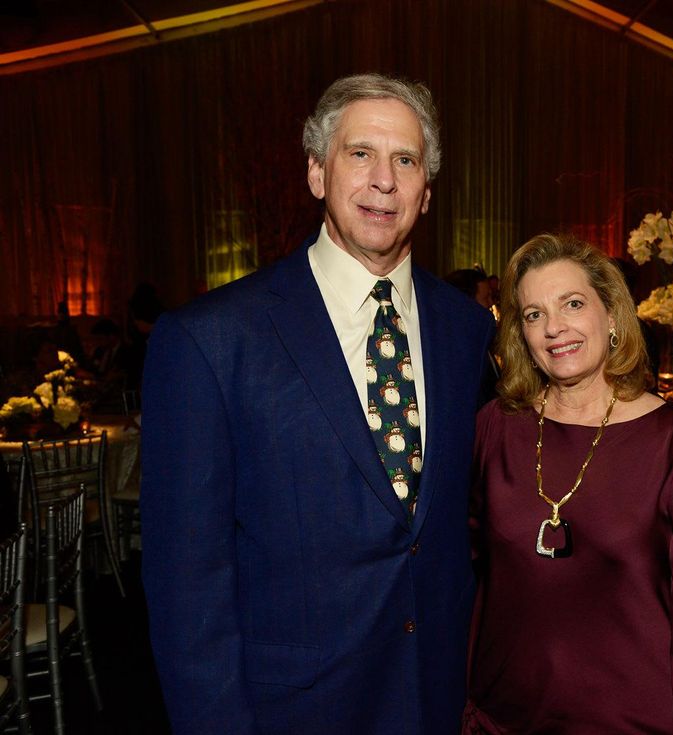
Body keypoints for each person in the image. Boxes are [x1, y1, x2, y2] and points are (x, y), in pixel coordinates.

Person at [140, 73, 496, 734]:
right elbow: (187, 593)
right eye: (360, 153)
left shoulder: (465, 330)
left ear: (426, 191)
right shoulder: (211, 341)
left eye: (406, 159)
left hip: (437, 701)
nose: (383, 179)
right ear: (316, 173)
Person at [465, 234, 673, 734]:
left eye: (572, 304)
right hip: (502, 720)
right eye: (533, 314)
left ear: (613, 316)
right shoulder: (497, 426)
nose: (554, 328)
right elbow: (471, 581)